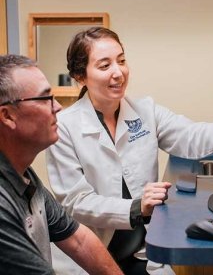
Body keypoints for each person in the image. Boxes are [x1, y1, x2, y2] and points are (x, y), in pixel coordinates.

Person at [46, 27, 213, 275]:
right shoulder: (64, 127)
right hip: (90, 257)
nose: (118, 73)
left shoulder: (144, 110)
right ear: (80, 75)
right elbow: (76, 202)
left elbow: (189, 136)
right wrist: (136, 207)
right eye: (105, 65)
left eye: (121, 61)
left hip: (140, 251)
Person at [0, 54, 124, 275]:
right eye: (45, 99)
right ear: (7, 116)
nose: (57, 107)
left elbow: (79, 240)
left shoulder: (24, 177)